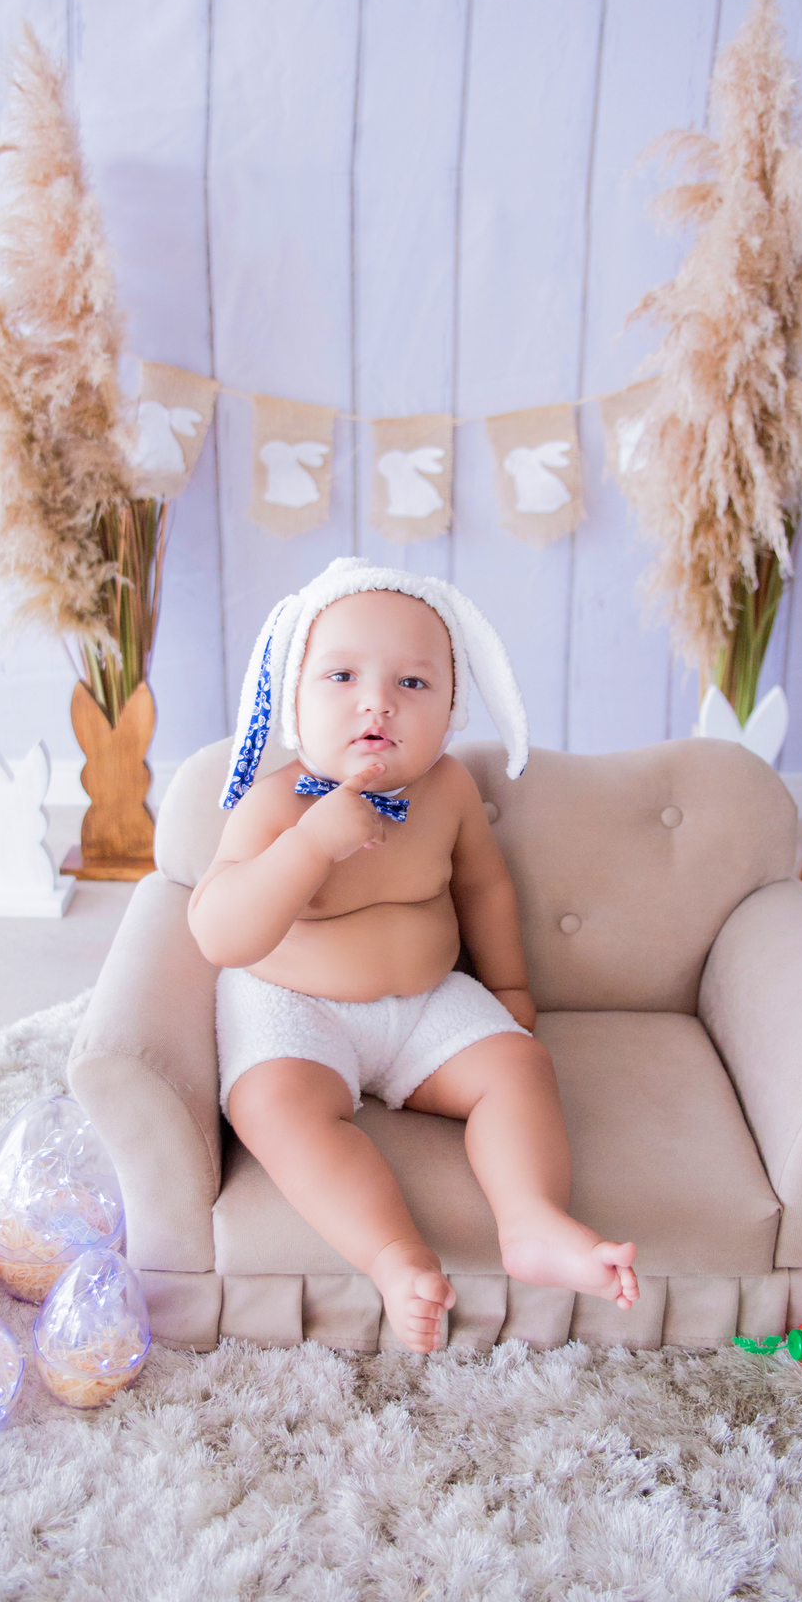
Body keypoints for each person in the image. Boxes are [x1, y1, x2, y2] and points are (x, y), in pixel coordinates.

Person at [189, 558, 638, 1351]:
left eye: (414, 684)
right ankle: (395, 1257)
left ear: (453, 708)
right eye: (342, 675)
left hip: (426, 1000)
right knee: (272, 1106)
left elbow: (486, 889)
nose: (378, 702)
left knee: (520, 1067)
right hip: (295, 1003)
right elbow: (220, 933)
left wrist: (508, 986)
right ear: (294, 699)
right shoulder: (276, 801)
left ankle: (531, 1220)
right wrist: (310, 847)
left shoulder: (449, 791)